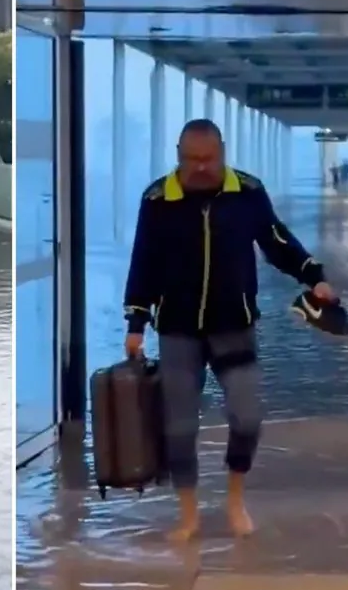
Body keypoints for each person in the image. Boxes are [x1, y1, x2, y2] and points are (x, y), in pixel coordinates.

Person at [123, 119, 336, 541]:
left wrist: (314, 277)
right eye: (191, 159)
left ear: (222, 152)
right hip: (177, 330)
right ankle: (188, 516)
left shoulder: (248, 193)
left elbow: (278, 242)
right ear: (178, 154)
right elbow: (143, 260)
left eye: (209, 159)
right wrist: (136, 322)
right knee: (179, 426)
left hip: (233, 326)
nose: (201, 167)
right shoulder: (157, 198)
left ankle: (235, 499)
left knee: (248, 415)